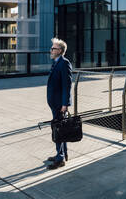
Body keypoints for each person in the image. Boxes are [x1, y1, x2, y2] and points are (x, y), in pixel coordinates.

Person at [47, 38, 72, 170]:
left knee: (58, 129)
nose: (51, 50)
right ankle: (62, 153)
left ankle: (60, 158)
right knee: (60, 128)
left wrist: (65, 104)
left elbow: (67, 86)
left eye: (53, 48)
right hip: (55, 103)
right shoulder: (56, 62)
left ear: (60, 51)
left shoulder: (64, 63)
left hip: (59, 104)